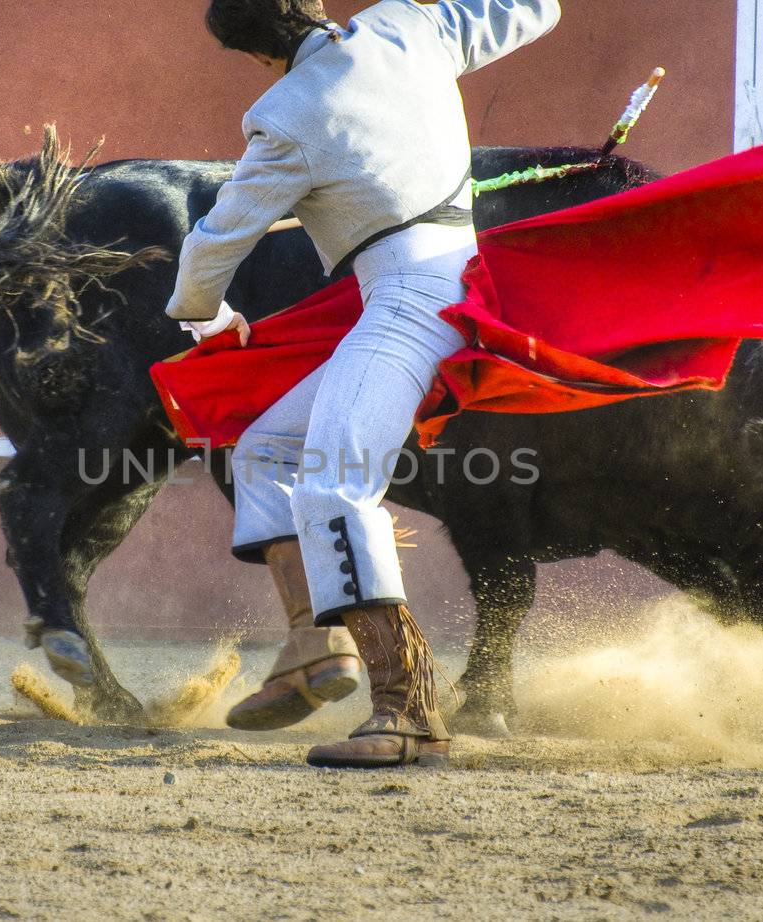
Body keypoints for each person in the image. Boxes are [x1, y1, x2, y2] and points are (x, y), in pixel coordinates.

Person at [165, 0, 560, 768]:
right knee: (267, 451)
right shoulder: (410, 25)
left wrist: (203, 319)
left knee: (333, 485)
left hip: (408, 301)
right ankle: (317, 646)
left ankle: (408, 710)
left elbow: (214, 243)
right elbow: (534, 9)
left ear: (258, 55)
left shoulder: (285, 113)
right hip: (466, 284)